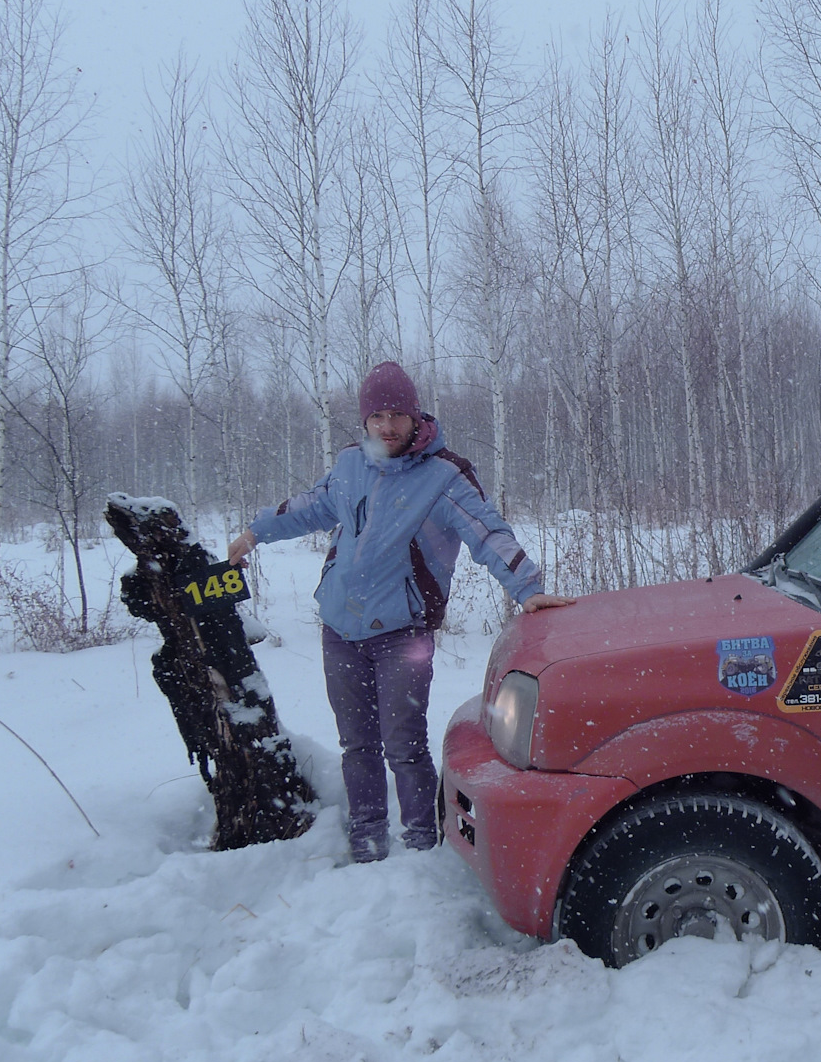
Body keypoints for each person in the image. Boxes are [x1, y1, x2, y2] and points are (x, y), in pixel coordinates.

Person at [229, 361, 573, 863]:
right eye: (377, 416)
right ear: (364, 420)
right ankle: (366, 838)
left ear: (416, 418)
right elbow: (309, 506)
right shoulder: (350, 465)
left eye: (397, 414)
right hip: (341, 628)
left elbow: (486, 531)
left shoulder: (443, 475)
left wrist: (528, 588)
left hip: (402, 633)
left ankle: (419, 843)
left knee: (405, 744)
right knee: (357, 744)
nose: (387, 426)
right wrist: (257, 531)